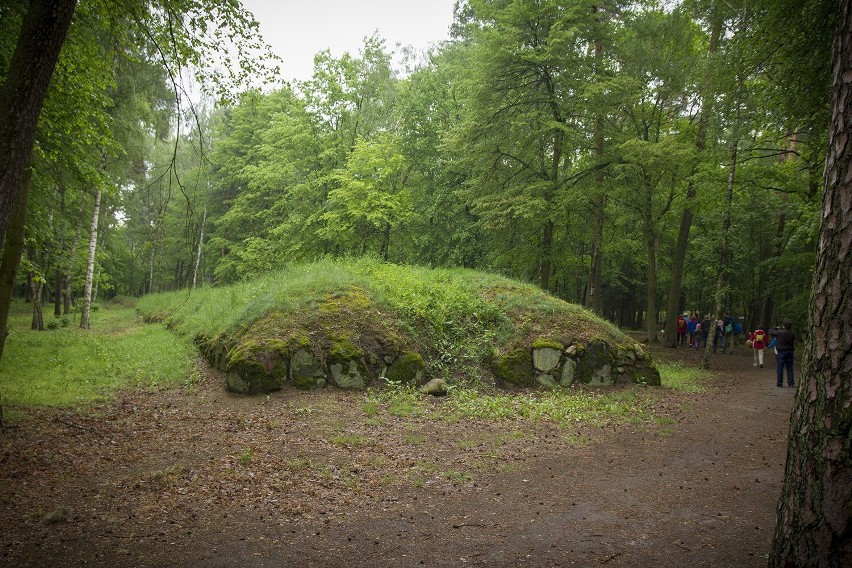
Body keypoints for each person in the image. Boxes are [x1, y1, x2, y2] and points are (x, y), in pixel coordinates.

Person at [769, 319, 796, 387]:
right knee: (789, 368)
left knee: (780, 368)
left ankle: (779, 383)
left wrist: (776, 328)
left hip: (781, 352)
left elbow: (771, 331)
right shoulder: (792, 333)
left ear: (783, 325)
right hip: (790, 351)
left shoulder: (780, 333)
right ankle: (791, 382)